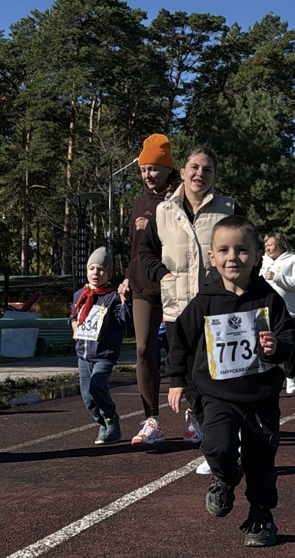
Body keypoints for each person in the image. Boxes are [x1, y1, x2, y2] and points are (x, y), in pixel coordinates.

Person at [165, 216, 295, 547]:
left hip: (259, 395)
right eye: (223, 250)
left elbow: (288, 337)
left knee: (261, 458)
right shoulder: (204, 302)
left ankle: (261, 515)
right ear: (212, 257)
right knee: (218, 446)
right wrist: (177, 380)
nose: (233, 257)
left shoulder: (270, 299)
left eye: (242, 250)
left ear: (257, 256)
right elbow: (179, 341)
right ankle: (225, 477)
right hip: (216, 394)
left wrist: (275, 347)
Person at [137, 145, 241, 462]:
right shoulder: (163, 211)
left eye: (207, 170)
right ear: (182, 172)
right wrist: (162, 275)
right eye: (194, 167)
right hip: (177, 305)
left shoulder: (228, 208)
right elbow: (146, 252)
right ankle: (202, 427)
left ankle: (211, 431)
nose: (200, 174)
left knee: (212, 373)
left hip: (216, 306)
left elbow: (246, 247)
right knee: (185, 370)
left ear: (214, 176)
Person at [117, 134, 176, 446]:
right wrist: (128, 277)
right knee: (143, 349)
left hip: (175, 283)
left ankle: (194, 414)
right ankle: (152, 419)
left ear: (168, 169)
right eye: (143, 170)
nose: (148, 175)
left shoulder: (181, 198)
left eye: (153, 168)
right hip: (143, 284)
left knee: (182, 351)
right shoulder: (139, 202)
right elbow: (136, 247)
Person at [71, 247, 130, 444]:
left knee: (97, 387)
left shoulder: (113, 297)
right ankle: (103, 423)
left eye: (101, 269)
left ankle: (111, 418)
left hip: (104, 353)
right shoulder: (80, 294)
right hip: (83, 354)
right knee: (87, 397)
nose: (95, 273)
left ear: (109, 274)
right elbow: (72, 316)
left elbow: (124, 319)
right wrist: (73, 325)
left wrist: (126, 300)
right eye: (92, 268)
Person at [259, 232, 295, 394]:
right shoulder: (262, 261)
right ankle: (267, 376)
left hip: (291, 312)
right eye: (265, 245)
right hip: (266, 312)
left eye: (270, 244)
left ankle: (291, 376)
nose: (267, 248)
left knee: (289, 346)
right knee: (265, 344)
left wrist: (276, 277)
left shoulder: (294, 260)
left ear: (280, 244)